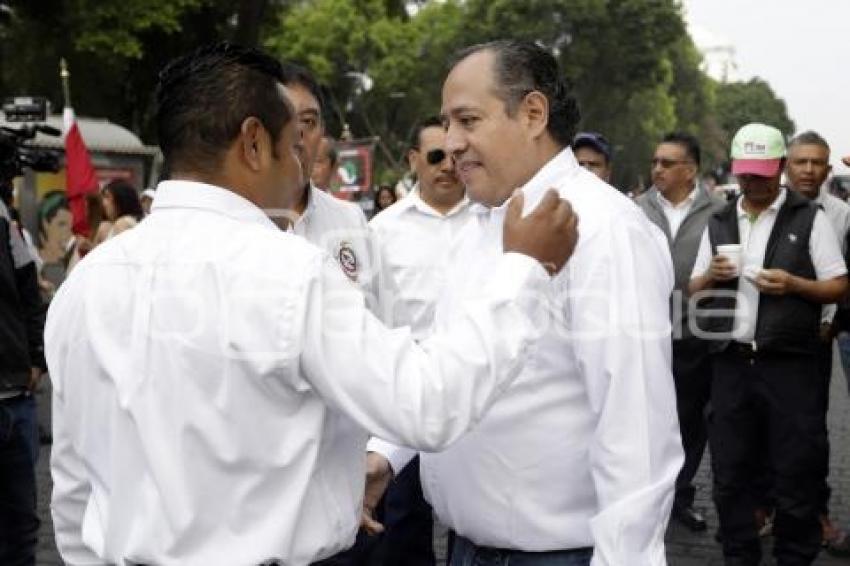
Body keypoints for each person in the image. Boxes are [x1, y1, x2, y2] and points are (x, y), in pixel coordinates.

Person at [44, 42, 579, 566]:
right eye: (291, 141)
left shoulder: (85, 286)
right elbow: (426, 403)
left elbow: (73, 489)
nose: (303, 160)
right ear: (254, 144)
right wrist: (525, 270)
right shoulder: (287, 274)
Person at [366, 39, 682, 566]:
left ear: (533, 113)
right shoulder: (481, 224)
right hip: (468, 549)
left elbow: (636, 429)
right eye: (447, 124)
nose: (452, 142)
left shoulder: (603, 229)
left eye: (468, 120)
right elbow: (450, 361)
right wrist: (388, 454)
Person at [689, 123, 848, 566]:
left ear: (779, 168)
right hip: (731, 366)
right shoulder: (719, 219)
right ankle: (740, 556)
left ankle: (794, 556)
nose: (752, 182)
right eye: (745, 173)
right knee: (731, 475)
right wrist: (712, 277)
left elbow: (838, 286)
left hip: (790, 366)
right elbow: (693, 287)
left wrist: (794, 284)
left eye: (761, 173)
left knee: (795, 473)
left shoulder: (809, 218)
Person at [363, 115, 472, 565]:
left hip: (476, 400)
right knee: (404, 528)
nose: (447, 166)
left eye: (455, 155)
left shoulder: (494, 223)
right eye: (435, 156)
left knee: (473, 525)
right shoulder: (381, 231)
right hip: (405, 405)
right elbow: (367, 320)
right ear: (413, 160)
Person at [636, 132, 724, 533]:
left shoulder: (720, 212)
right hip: (643, 336)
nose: (657, 169)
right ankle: (645, 499)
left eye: (667, 163)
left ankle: (681, 498)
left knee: (689, 422)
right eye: (655, 161)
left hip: (694, 336)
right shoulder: (635, 209)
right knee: (645, 421)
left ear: (690, 170)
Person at [784, 130, 850, 554]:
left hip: (816, 340)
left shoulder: (841, 214)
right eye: (801, 162)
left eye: (816, 163)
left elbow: (840, 277)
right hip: (763, 343)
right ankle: (765, 511)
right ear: (786, 165)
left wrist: (828, 323)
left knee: (810, 432)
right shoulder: (760, 207)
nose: (809, 170)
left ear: (828, 170)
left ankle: (817, 515)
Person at [280, 63, 378, 302]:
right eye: (285, 119)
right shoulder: (239, 222)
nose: (298, 136)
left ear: (322, 131)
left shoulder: (351, 220)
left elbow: (384, 315)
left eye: (308, 122)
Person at [0, 186, 46, 566]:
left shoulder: (2, 215)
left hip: (16, 395)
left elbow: (29, 288)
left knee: (22, 526)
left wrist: (35, 356)